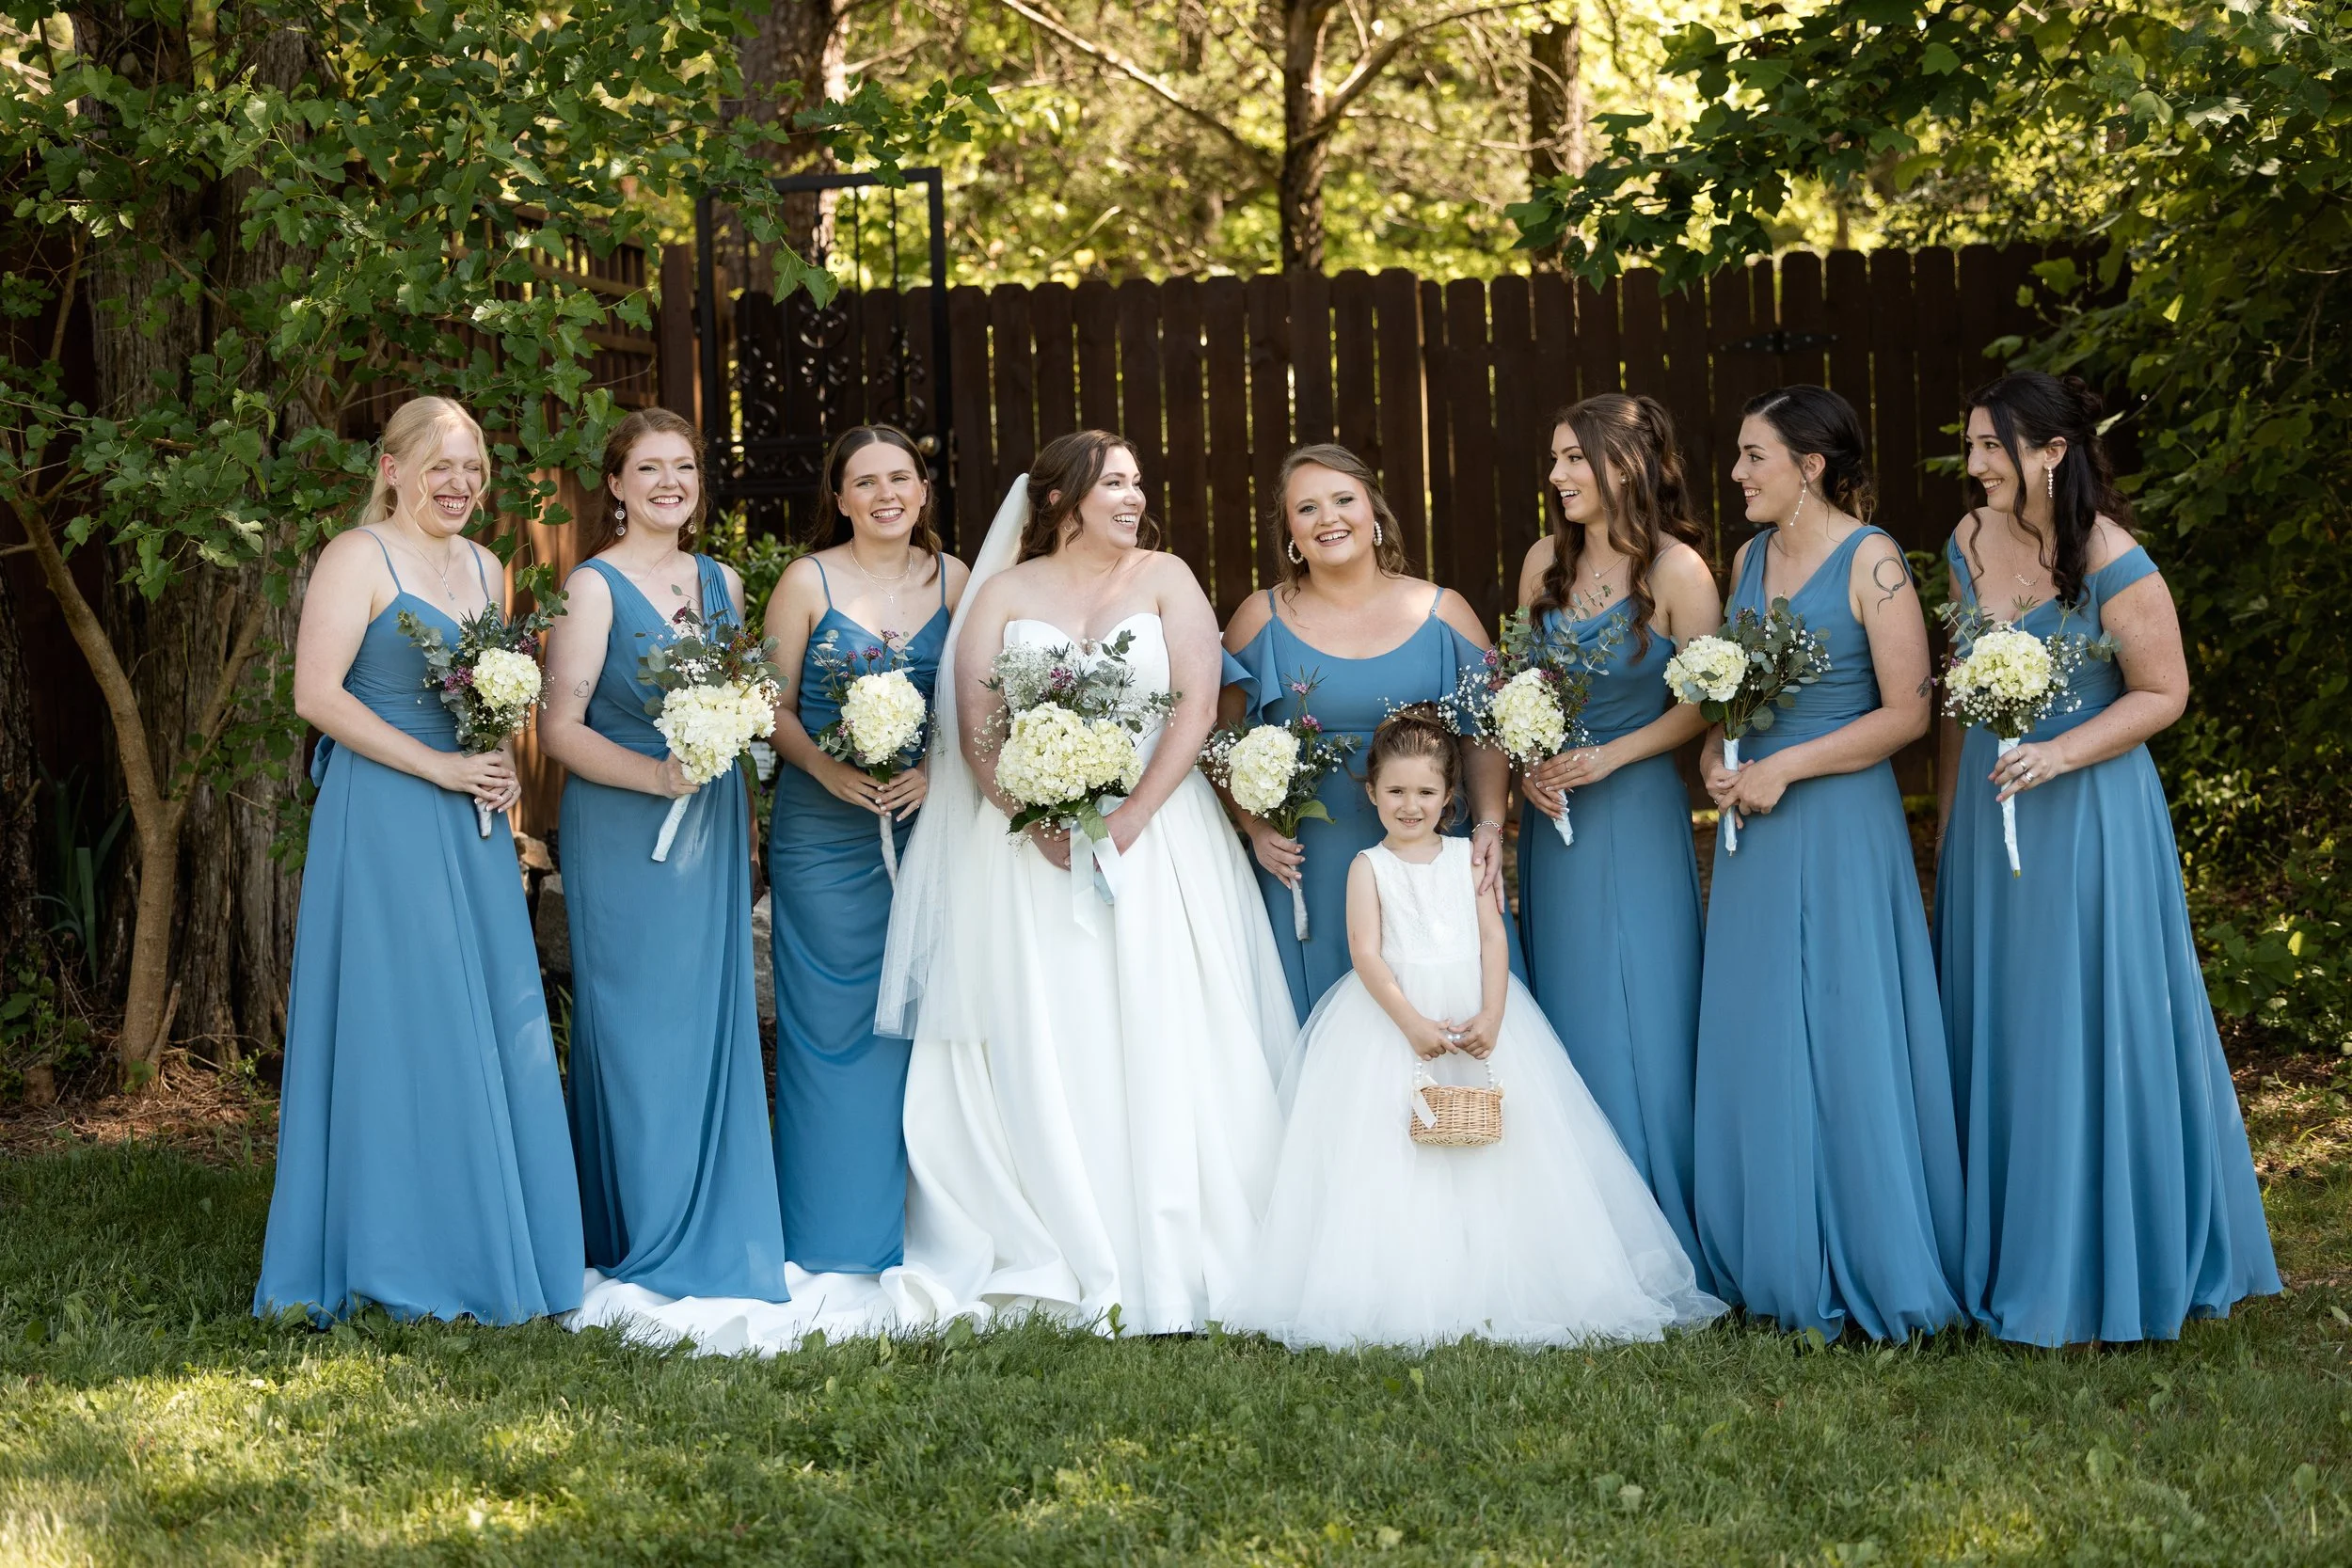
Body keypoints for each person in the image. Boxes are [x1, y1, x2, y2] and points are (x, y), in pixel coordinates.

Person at [875, 430, 1301, 1335]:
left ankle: (1179, 1247)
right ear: (1063, 498)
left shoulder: (1165, 575)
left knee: (1163, 1016)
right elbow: (977, 720)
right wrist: (1033, 817)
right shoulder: (1003, 593)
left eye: (1138, 482)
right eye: (1115, 483)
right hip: (1028, 850)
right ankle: (1060, 1229)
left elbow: (1195, 703)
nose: (1134, 497)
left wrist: (1133, 813)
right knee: (1050, 1025)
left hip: (1159, 835)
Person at [1935, 370, 2279, 1344]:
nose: (1974, 466)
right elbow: (1962, 679)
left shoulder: (2116, 561)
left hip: (2087, 814)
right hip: (1989, 809)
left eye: (1991, 447)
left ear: (2050, 453)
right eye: (1970, 446)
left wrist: (2060, 749)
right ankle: (2005, 1243)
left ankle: (2105, 1256)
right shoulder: (1966, 543)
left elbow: (2162, 692)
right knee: (2007, 1016)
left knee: (2081, 1017)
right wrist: (1957, 809)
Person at [1226, 706, 1724, 1349]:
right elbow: (1366, 953)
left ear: (1449, 798)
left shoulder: (1470, 858)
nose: (1411, 805)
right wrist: (1409, 1022)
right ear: (1372, 791)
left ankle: (1510, 1275)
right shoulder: (1366, 867)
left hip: (1475, 1008)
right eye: (1397, 791)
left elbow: (1493, 937)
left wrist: (1492, 1013)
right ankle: (1407, 1282)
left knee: (1503, 1150)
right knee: (1390, 1149)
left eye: (1426, 792)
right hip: (1392, 1018)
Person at [255, 395, 582, 1324]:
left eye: (473, 467)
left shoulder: (486, 565)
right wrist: (439, 765)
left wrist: (497, 772)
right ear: (391, 468)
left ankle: (485, 1240)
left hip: (469, 825)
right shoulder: (357, 557)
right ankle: (395, 1250)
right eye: (440, 464)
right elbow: (316, 695)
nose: (460, 482)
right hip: (386, 814)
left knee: (480, 1017)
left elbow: (489, 696)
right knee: (397, 1020)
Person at [1692, 386, 1965, 1341]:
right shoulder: (1747, 557)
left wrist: (1787, 767)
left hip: (1840, 816)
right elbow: (1730, 692)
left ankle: (1871, 1247)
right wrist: (1718, 755)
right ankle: (1772, 1255)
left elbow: (1906, 712)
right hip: (1756, 827)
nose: (1736, 474)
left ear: (1809, 465)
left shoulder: (1874, 558)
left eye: (1753, 456)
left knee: (1846, 1022)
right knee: (1761, 1023)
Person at [539, 406, 788, 1307]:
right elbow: (558, 729)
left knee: (711, 1018)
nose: (669, 484)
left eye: (682, 467)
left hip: (713, 823)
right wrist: (658, 774)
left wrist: (738, 793)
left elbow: (743, 698)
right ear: (614, 485)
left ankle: (717, 1216)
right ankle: (636, 1224)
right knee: (639, 1024)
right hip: (624, 825)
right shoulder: (594, 588)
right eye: (648, 469)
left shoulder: (718, 578)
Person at [1512, 394, 1720, 1284]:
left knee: (1646, 1004)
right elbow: (1516, 682)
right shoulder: (1540, 564)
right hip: (1552, 821)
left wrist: (1612, 757)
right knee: (1566, 1000)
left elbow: (1706, 699)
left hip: (1633, 809)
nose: (1556, 476)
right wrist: (1527, 758)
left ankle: (1659, 1229)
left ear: (1626, 464)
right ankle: (1571, 1226)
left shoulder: (1678, 572)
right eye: (1554, 459)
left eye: (1572, 459)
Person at [763, 426, 968, 1275]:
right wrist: (823, 766)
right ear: (839, 498)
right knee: (835, 1024)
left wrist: (935, 769)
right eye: (864, 482)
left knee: (936, 1019)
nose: (885, 494)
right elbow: (767, 706)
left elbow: (982, 702)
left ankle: (940, 1222)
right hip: (824, 830)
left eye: (900, 478)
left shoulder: (959, 579)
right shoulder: (806, 581)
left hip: (934, 827)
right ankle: (837, 1230)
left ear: (923, 490)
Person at [1220, 444, 1519, 1021]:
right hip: (1309, 861)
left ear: (1374, 512)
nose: (1328, 519)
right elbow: (1216, 740)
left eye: (1342, 500)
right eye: (1306, 509)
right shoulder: (1261, 618)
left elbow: (1485, 732)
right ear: (1290, 531)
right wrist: (1255, 829)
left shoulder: (1442, 611)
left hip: (1423, 857)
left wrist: (1488, 823)